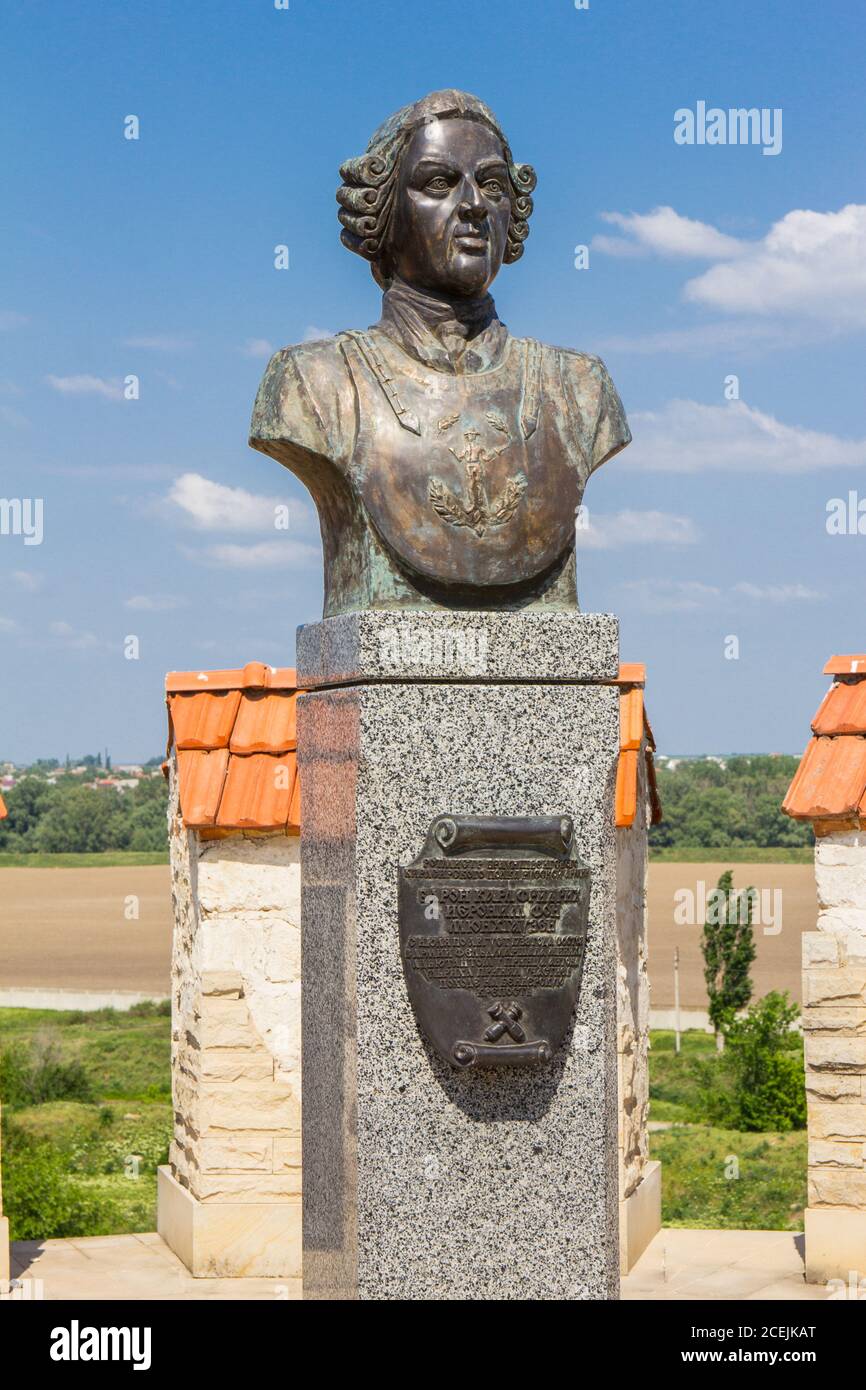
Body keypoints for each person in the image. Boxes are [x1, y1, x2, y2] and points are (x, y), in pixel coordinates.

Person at [250, 89, 631, 617]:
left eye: (493, 185)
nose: (474, 205)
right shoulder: (316, 384)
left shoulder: (579, 388)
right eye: (438, 183)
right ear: (382, 214)